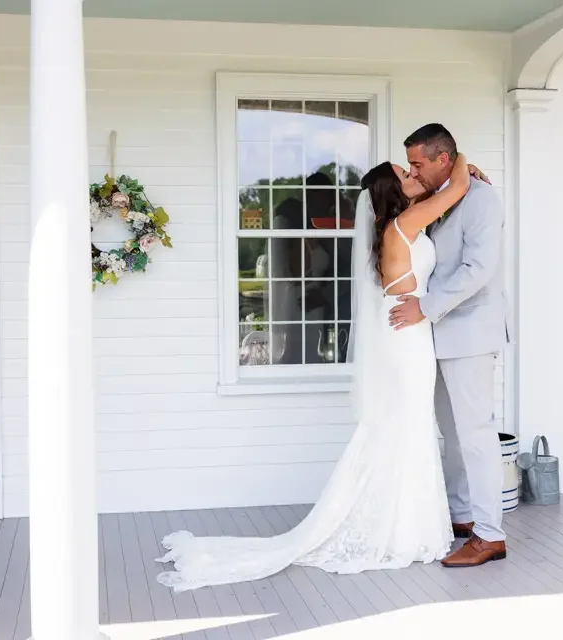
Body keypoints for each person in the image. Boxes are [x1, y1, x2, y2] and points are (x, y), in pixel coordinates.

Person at [154, 154, 478, 591]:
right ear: (392, 191)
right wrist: (460, 161)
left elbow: (446, 195)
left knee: (407, 426)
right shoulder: (401, 227)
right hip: (405, 341)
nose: (413, 174)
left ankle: (408, 525)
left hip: (406, 334)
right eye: (406, 173)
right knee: (409, 425)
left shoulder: (402, 225)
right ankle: (405, 530)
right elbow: (455, 189)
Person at [389, 123, 511, 568]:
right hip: (437, 337)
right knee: (453, 432)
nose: (413, 172)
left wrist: (427, 305)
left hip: (470, 333)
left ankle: (491, 535)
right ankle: (463, 517)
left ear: (444, 159)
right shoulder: (440, 196)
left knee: (477, 434)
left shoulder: (481, 199)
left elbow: (479, 268)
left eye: (418, 163)